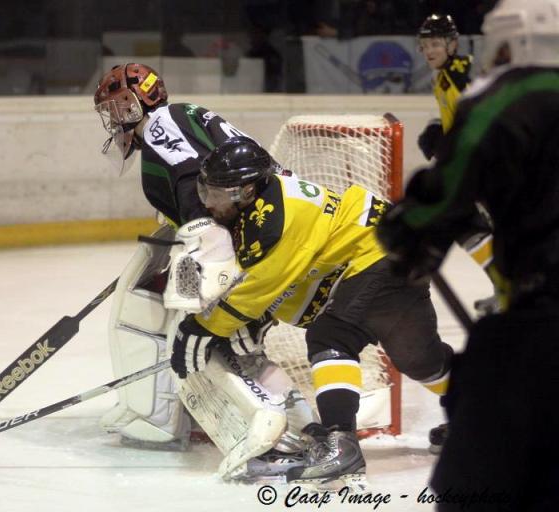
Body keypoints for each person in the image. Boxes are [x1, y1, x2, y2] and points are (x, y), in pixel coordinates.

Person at [170, 136, 455, 488]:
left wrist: (205, 327)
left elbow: (263, 284)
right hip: (394, 251)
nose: (208, 204)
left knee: (332, 335)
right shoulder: (266, 201)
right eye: (205, 191)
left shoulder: (272, 217)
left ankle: (342, 444)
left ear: (244, 192)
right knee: (420, 360)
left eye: (215, 194)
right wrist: (256, 317)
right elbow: (293, 276)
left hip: (379, 252)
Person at [92, 63, 318, 478]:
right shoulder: (182, 116)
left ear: (135, 103)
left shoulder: (161, 127)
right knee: (239, 349)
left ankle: (277, 440)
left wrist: (203, 272)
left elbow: (198, 191)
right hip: (268, 235)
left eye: (117, 106)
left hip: (261, 243)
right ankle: (311, 433)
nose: (113, 118)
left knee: (211, 340)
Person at [376, 0, 559, 508]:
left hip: (540, 327)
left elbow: (438, 200)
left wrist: (412, 225)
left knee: (478, 480)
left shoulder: (505, 96)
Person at [416, 12, 501, 453]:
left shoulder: (464, 73)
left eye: (436, 44)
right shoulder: (447, 75)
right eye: (424, 45)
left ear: (452, 43)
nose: (429, 51)